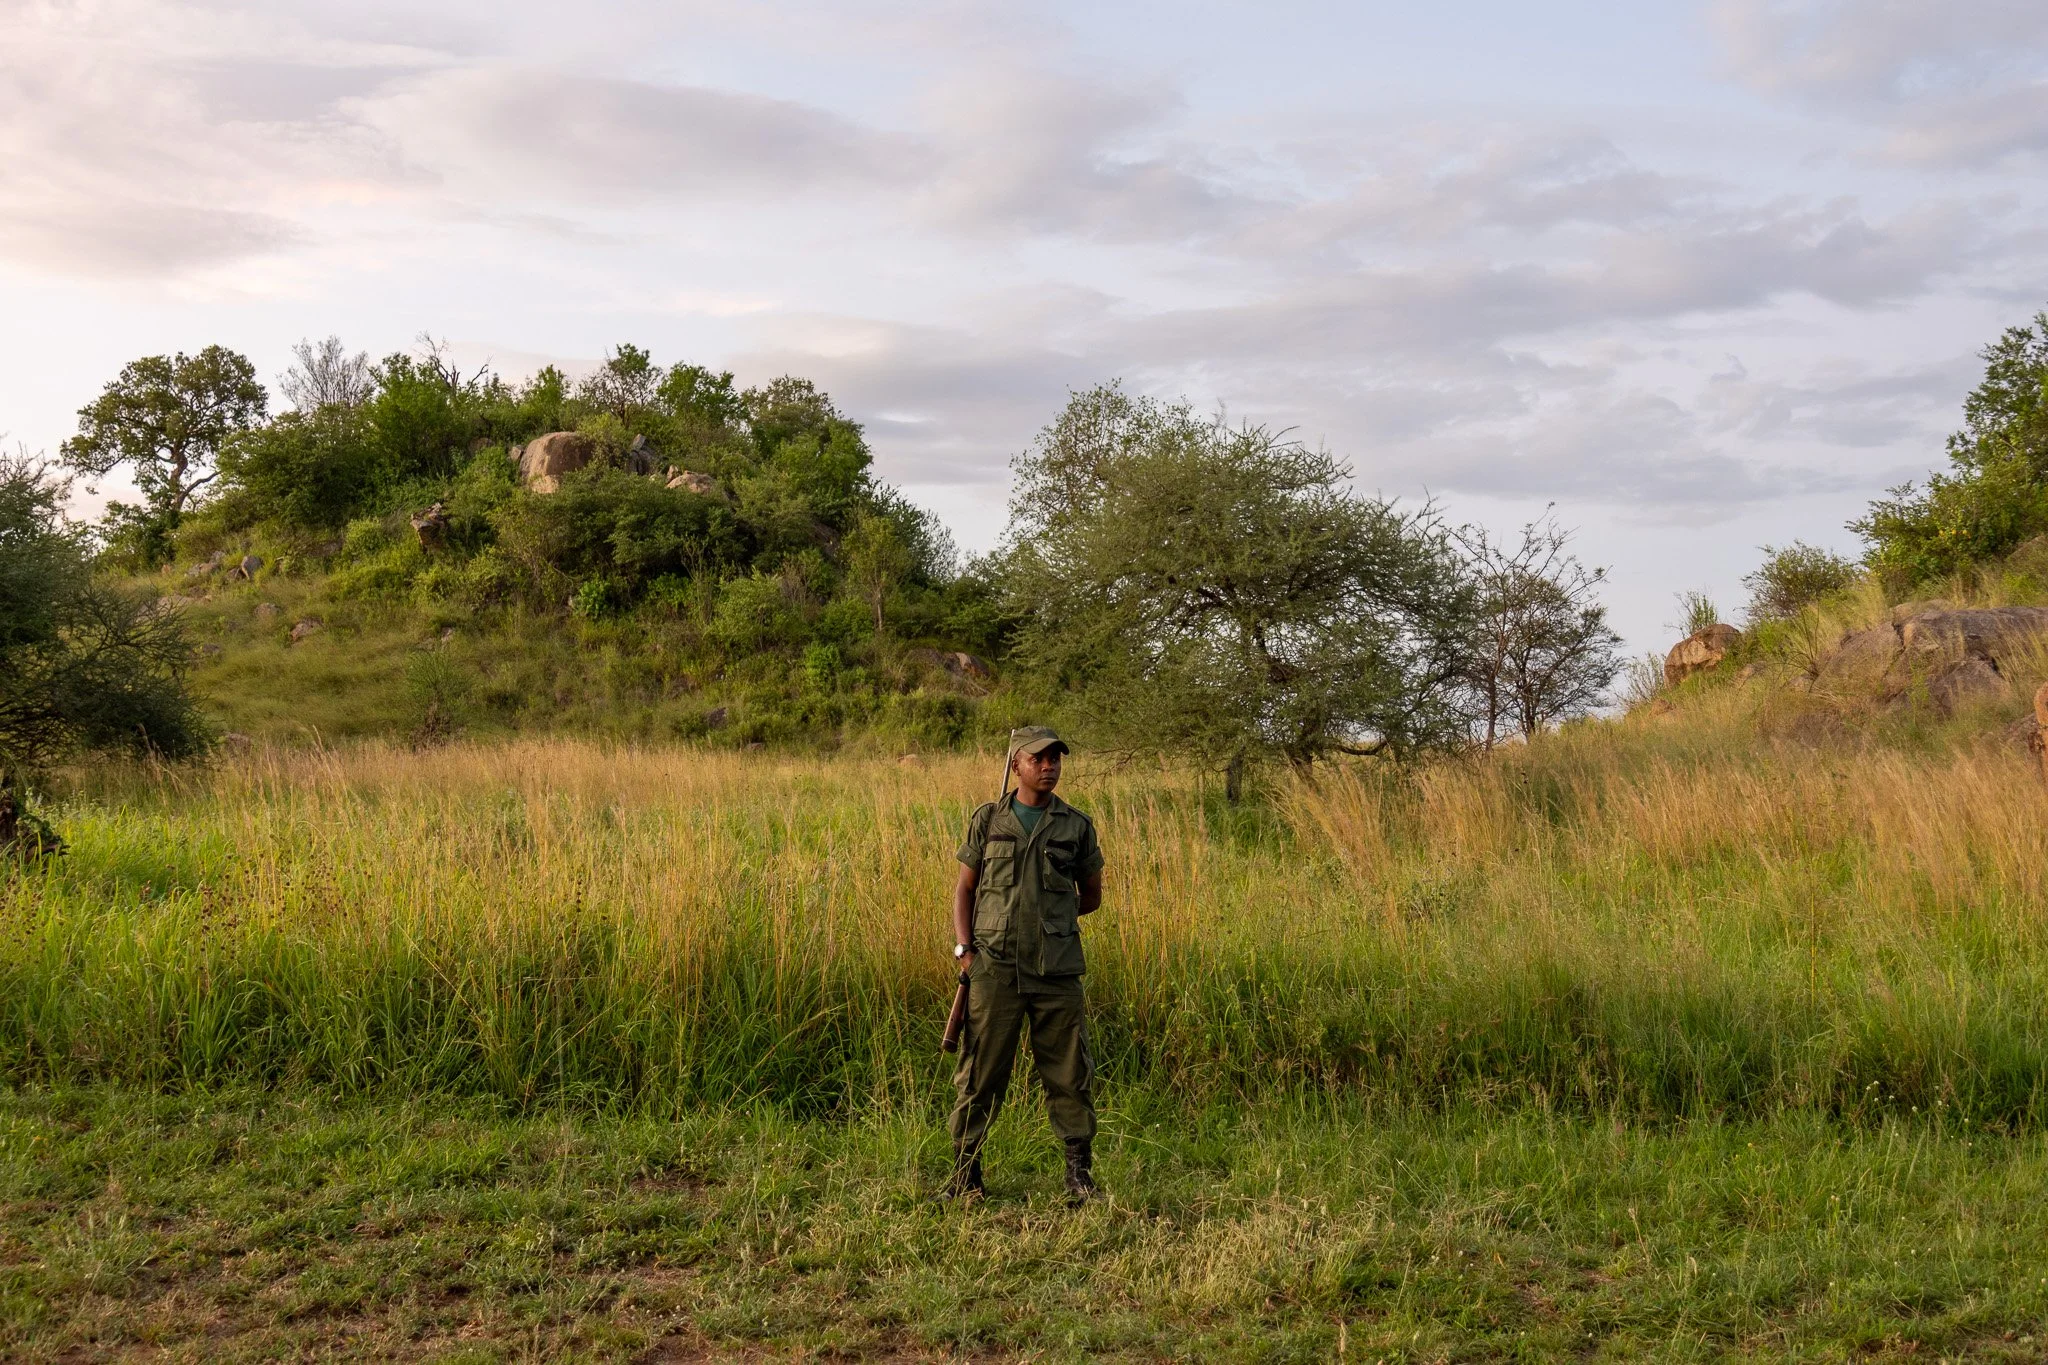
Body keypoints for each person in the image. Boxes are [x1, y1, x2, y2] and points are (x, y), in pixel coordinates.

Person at [942, 725, 1105, 1201]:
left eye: (1056, 758)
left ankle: (1079, 1177)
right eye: (1039, 759)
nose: (1049, 766)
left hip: (1056, 971)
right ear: (1017, 765)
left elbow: (1091, 895)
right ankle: (965, 1177)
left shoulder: (1076, 825)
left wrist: (1050, 919)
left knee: (1069, 1071)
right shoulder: (989, 819)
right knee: (979, 1074)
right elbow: (964, 890)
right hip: (993, 968)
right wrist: (965, 951)